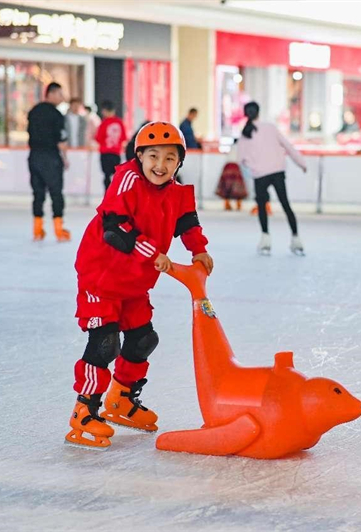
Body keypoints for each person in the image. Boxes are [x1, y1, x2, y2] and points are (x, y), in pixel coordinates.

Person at [66, 121, 214, 450]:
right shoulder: (127, 178)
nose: (160, 165)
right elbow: (115, 228)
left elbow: (188, 223)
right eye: (153, 156)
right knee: (105, 344)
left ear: (179, 163)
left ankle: (120, 399)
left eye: (169, 159)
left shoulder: (177, 193)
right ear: (139, 156)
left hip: (135, 279)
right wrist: (154, 253)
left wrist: (199, 250)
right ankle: (84, 411)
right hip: (101, 275)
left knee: (143, 339)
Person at [238, 101, 307, 255]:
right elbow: (288, 146)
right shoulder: (270, 128)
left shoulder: (245, 133)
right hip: (277, 172)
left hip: (259, 175)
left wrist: (252, 167)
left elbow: (241, 158)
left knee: (262, 207)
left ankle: (265, 241)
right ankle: (296, 239)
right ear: (258, 112)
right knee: (285, 204)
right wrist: (301, 163)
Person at [27, 82, 71, 242]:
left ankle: (37, 230)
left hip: (34, 157)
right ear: (51, 94)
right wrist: (65, 158)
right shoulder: (56, 115)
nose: (62, 97)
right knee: (56, 193)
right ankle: (59, 230)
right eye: (59, 94)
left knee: (38, 193)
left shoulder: (33, 111)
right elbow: (61, 139)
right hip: (51, 158)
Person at [95, 101, 127, 190]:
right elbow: (124, 138)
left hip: (105, 153)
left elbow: (98, 138)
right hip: (116, 153)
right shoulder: (120, 123)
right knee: (116, 176)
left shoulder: (104, 123)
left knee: (106, 175)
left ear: (104, 110)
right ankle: (115, 194)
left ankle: (107, 194)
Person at [216, 141, 248, 211]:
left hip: (227, 167)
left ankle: (227, 204)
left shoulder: (231, 147)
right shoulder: (241, 147)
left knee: (226, 186)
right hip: (235, 167)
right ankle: (238, 204)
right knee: (238, 186)